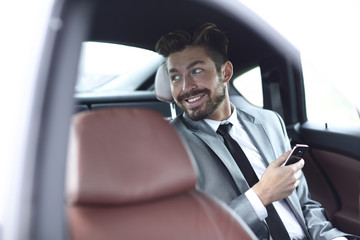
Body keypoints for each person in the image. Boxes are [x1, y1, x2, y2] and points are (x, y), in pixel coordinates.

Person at [155, 23, 358, 240]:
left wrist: (333, 238)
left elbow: (304, 203)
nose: (185, 87)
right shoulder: (167, 143)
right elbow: (194, 231)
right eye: (175, 77)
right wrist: (261, 194)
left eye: (196, 71)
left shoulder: (270, 122)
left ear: (225, 72)